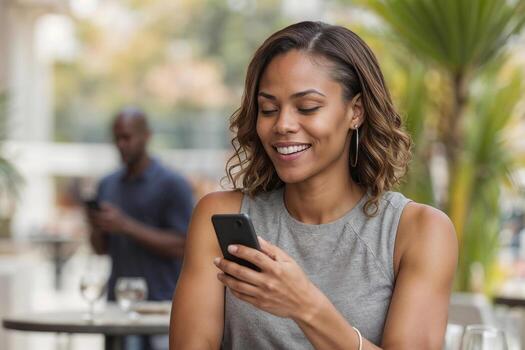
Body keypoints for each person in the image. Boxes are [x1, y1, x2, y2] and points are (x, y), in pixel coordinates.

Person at [169, 21, 457, 350]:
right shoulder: (219, 214)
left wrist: (306, 306)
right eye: (269, 109)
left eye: (307, 107)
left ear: (356, 112)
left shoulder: (418, 231)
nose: (283, 125)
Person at [87, 107, 194, 349]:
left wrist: (125, 225)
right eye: (116, 138)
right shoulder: (107, 184)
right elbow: (100, 249)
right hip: (116, 307)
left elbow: (184, 245)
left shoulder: (172, 184)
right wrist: (96, 226)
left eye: (126, 137)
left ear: (146, 136)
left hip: (160, 307)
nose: (120, 144)